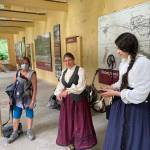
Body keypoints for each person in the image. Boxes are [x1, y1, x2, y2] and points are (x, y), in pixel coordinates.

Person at [101, 32, 150, 150]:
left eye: (121, 48)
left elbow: (141, 94)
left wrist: (116, 93)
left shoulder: (144, 63)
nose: (118, 51)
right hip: (121, 105)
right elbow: (122, 82)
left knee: (133, 136)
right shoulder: (124, 62)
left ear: (129, 48)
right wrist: (112, 87)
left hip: (135, 108)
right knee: (118, 134)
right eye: (117, 47)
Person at [54, 52, 97, 150]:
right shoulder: (64, 71)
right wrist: (57, 94)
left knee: (80, 121)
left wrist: (67, 91)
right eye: (65, 61)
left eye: (69, 60)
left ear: (73, 60)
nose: (67, 62)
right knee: (69, 121)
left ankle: (81, 143)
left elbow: (81, 86)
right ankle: (70, 142)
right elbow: (60, 84)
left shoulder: (80, 70)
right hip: (67, 102)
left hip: (79, 100)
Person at [7, 56, 37, 143]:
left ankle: (29, 131)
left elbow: (35, 89)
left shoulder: (32, 74)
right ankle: (15, 132)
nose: (24, 65)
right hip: (17, 98)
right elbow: (13, 87)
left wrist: (33, 101)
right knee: (16, 115)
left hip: (28, 98)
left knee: (29, 114)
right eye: (23, 63)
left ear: (29, 64)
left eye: (26, 63)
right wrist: (10, 98)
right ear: (20, 65)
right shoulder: (17, 73)